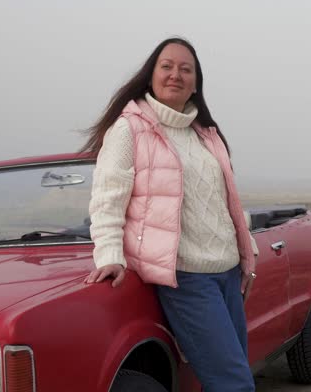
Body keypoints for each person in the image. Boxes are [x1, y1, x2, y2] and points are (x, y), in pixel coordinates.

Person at [80, 37, 257, 391]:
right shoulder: (129, 129)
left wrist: (246, 249)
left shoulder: (206, 133)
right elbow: (107, 200)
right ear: (150, 76)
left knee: (231, 379)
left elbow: (225, 202)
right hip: (187, 278)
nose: (175, 74)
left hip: (227, 273)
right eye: (167, 66)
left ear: (195, 82)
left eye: (185, 69)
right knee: (235, 385)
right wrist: (110, 255)